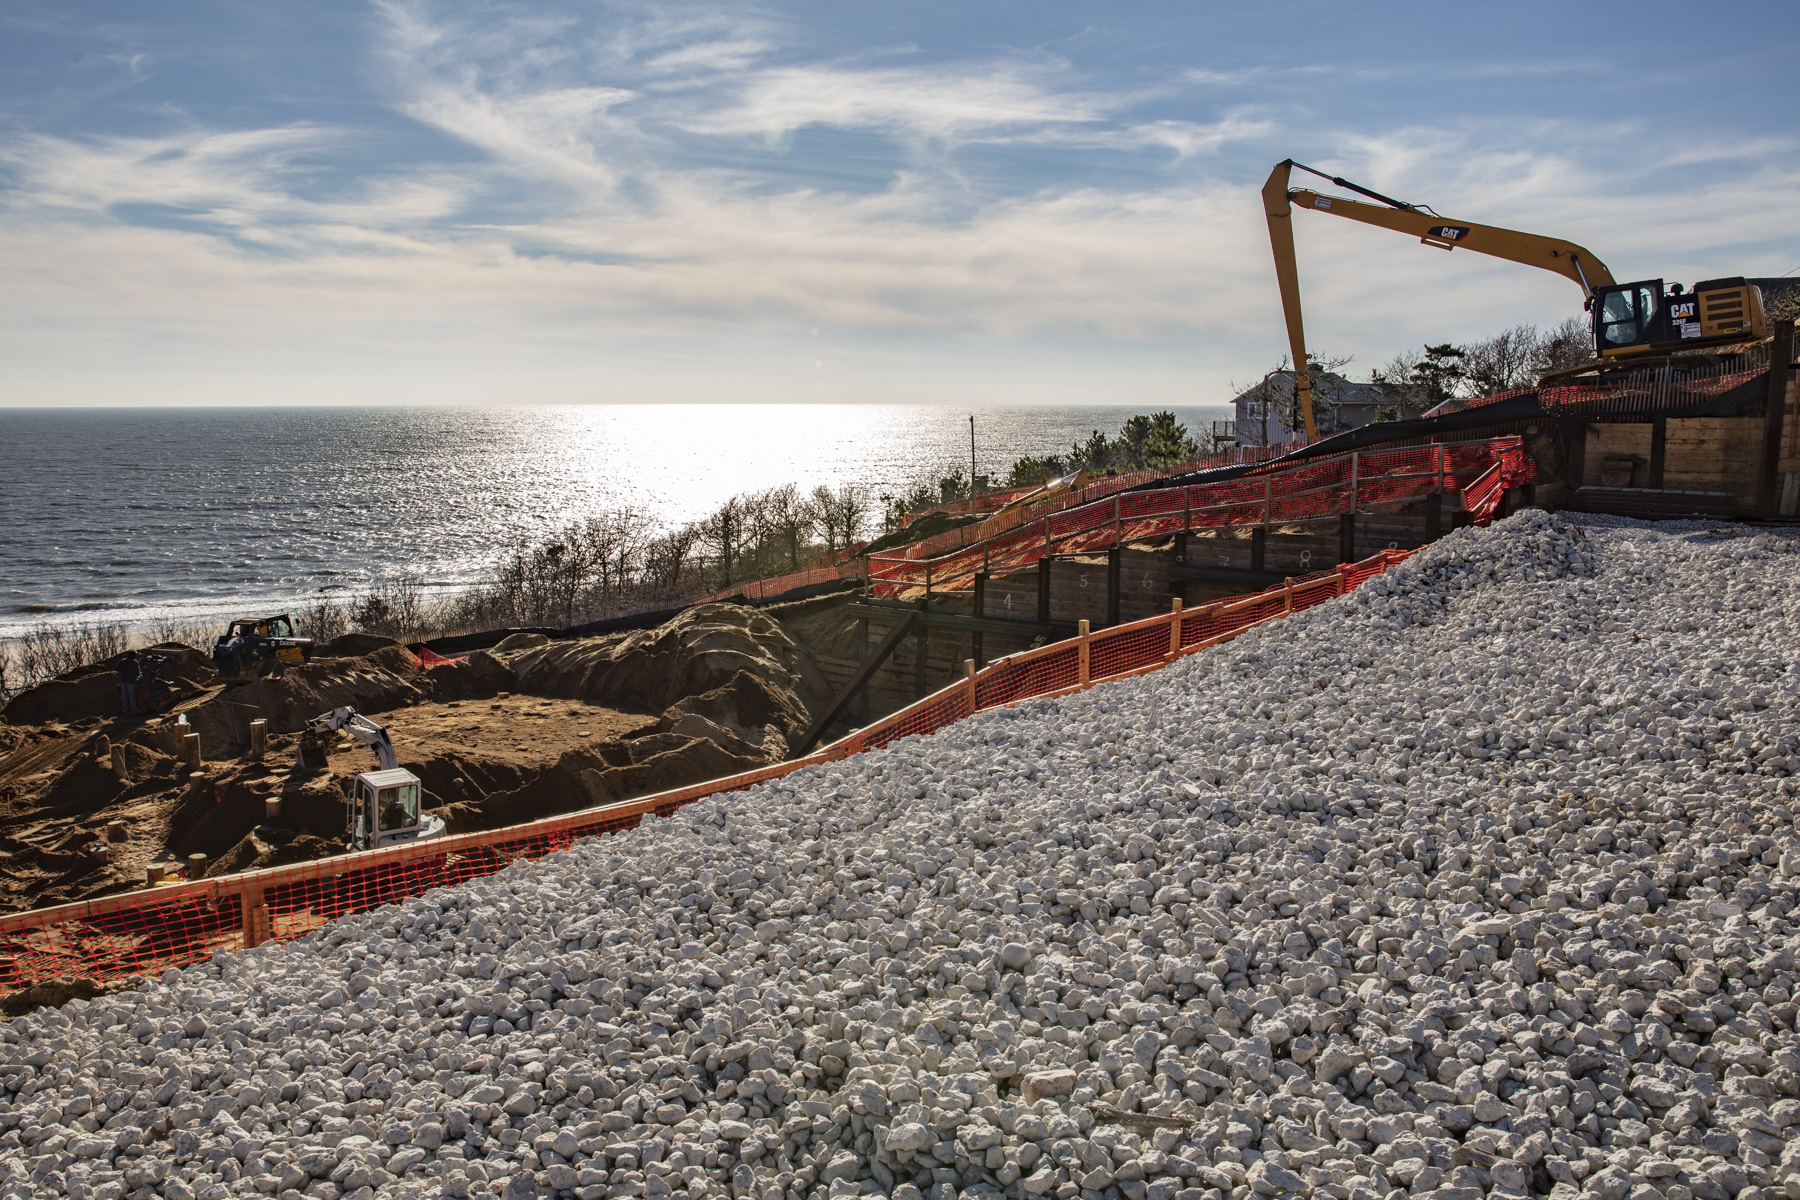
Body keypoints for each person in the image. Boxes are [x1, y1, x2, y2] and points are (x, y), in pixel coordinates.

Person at [117, 650, 142, 715]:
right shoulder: (134, 662)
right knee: (131, 695)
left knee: (124, 695)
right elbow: (138, 672)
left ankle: (126, 709)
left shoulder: (123, 661)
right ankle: (133, 709)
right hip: (131, 681)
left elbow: (118, 669)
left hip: (123, 680)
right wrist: (138, 677)